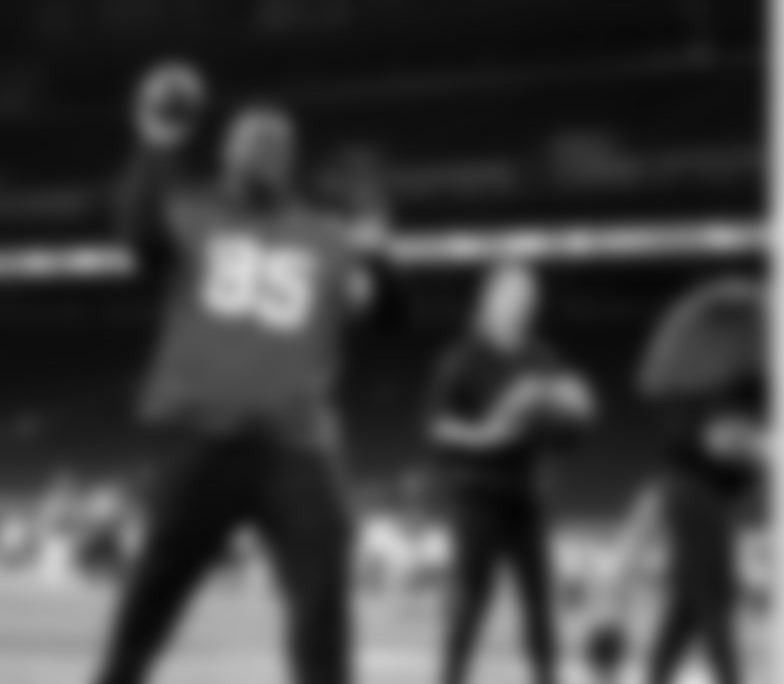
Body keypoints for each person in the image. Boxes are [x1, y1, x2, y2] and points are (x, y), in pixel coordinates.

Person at [87, 61, 404, 684]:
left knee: (323, 593)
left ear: (291, 160)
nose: (263, 149)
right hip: (204, 434)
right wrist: (156, 143)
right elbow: (137, 233)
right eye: (252, 138)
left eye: (275, 141)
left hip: (294, 443)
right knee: (154, 592)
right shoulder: (192, 210)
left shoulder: (324, 237)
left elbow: (386, 314)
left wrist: (378, 247)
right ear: (228, 152)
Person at [586, 276, 768, 684]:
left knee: (688, 608)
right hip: (692, 492)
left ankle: (638, 663)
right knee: (712, 602)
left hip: (697, 494)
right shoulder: (708, 388)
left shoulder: (743, 381)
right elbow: (713, 445)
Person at [424, 261, 596, 684]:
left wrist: (571, 400)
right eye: (514, 295)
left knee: (540, 605)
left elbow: (573, 414)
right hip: (477, 496)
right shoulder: (462, 358)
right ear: (491, 299)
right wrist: (488, 435)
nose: (523, 304)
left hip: (526, 495)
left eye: (529, 298)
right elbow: (437, 427)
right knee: (469, 604)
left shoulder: (541, 357)